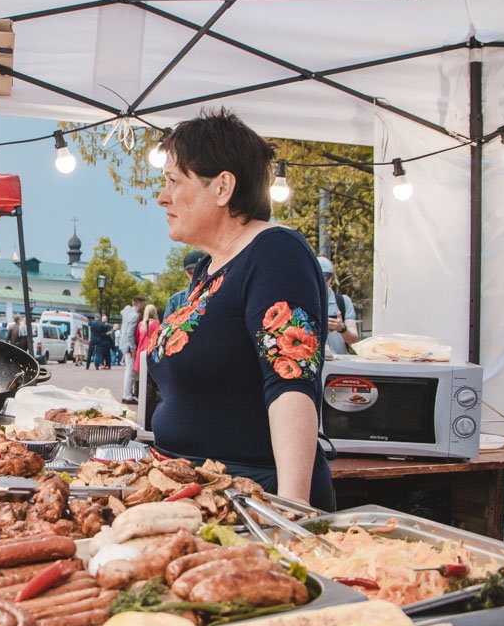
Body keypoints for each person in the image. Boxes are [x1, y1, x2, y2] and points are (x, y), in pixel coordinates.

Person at [149, 108, 334, 510]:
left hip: (251, 496)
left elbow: (291, 382)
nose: (162, 196)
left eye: (173, 181)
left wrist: (292, 507)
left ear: (222, 187)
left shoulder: (275, 253)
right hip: (192, 488)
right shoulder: (209, 268)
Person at [318, 256, 359, 357]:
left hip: (340, 363)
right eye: (318, 278)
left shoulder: (343, 301)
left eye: (326, 278)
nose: (322, 283)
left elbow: (354, 343)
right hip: (314, 363)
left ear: (331, 278)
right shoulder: (305, 304)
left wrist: (342, 328)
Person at [164, 249, 209, 319]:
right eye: (190, 272)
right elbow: (165, 325)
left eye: (199, 271)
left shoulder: (218, 294)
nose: (194, 276)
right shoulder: (175, 300)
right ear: (186, 272)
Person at [119, 297, 145, 402]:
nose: (143, 306)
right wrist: (133, 348)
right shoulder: (134, 316)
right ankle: (127, 395)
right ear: (139, 304)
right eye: (143, 304)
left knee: (129, 370)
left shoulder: (127, 311)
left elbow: (122, 311)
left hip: (124, 344)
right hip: (129, 346)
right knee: (130, 371)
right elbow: (130, 333)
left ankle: (127, 393)